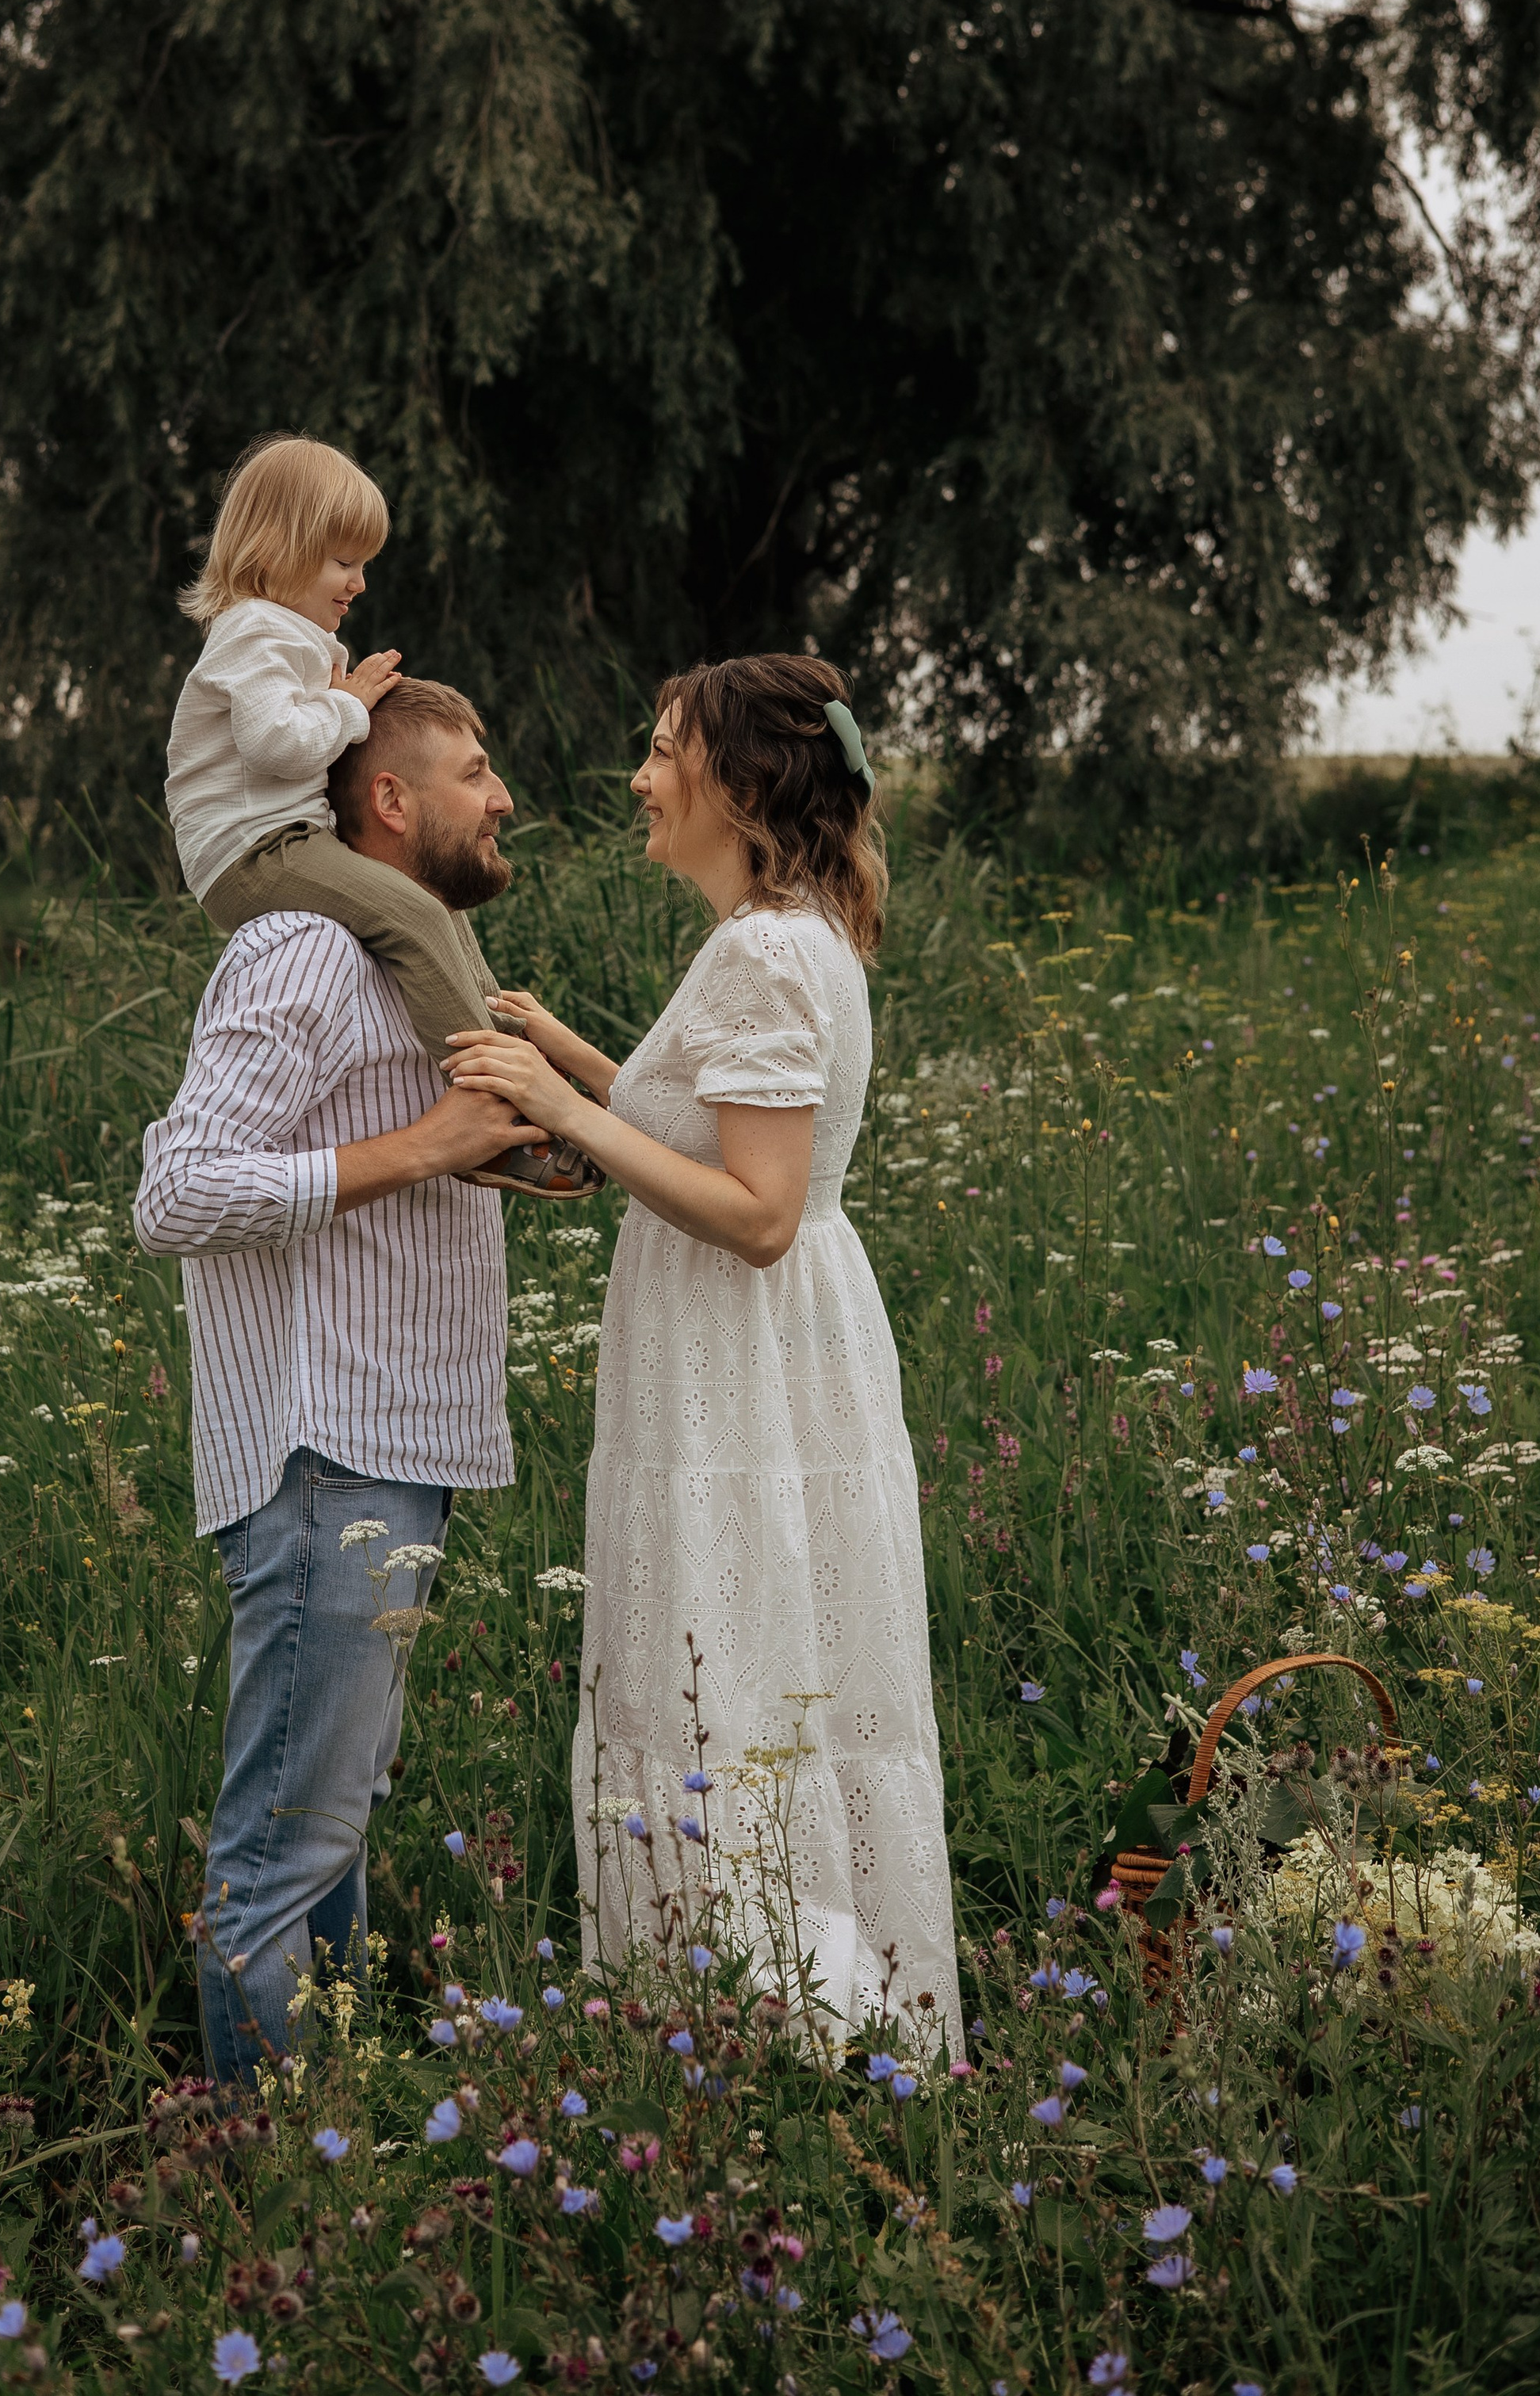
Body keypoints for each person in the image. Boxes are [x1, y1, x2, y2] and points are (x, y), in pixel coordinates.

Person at [443, 655, 962, 2051]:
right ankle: (757, 2010)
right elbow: (713, 1130)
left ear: (739, 786)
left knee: (732, 1659)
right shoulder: (788, 935)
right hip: (756, 1349)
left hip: (748, 1350)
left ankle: (777, 2024)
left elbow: (762, 1211)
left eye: (662, 748)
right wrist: (586, 1062)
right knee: (751, 1648)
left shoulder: (767, 949)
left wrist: (561, 1102)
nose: (638, 776)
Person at [132, 678, 536, 2082]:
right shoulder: (301, 947)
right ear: (388, 800)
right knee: (284, 1852)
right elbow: (174, 1191)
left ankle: (338, 2132)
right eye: (476, 772)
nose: (502, 798)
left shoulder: (408, 962)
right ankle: (276, 2194)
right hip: (324, 1455)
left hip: (392, 1445)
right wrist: (425, 1148)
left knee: (335, 1826)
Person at [166, 429, 596, 1198]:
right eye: (343, 562)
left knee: (433, 907)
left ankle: (508, 1060)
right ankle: (490, 1118)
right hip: (251, 852)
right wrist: (348, 707)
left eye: (362, 563)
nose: (359, 583)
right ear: (275, 550)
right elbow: (275, 743)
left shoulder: (288, 634)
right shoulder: (254, 631)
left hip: (282, 837)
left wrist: (344, 694)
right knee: (416, 917)